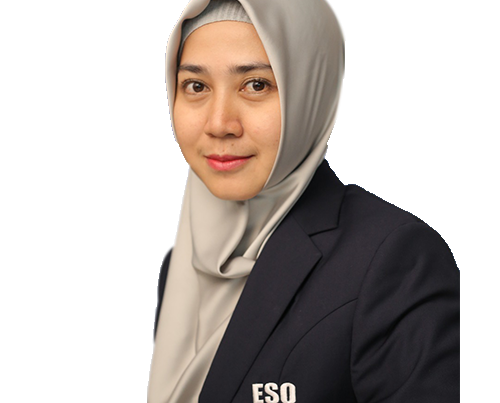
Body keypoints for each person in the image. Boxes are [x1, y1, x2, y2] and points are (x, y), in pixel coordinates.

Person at [150, 0, 460, 402]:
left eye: (256, 85)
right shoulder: (183, 260)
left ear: (312, 91)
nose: (219, 123)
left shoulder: (394, 258)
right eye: (196, 86)